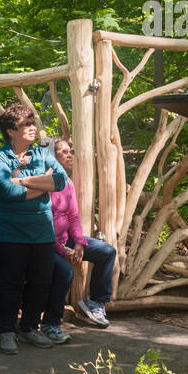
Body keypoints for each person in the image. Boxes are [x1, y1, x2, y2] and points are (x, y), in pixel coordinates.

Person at [0, 102, 68, 355]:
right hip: (9, 231)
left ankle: (30, 327)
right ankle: (7, 331)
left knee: (41, 281)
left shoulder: (43, 154)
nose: (33, 128)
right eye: (26, 124)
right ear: (11, 131)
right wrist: (42, 185)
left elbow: (61, 181)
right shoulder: (0, 158)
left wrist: (21, 180)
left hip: (42, 230)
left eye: (33, 123)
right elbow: (6, 192)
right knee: (10, 282)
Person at [48, 137, 116, 328]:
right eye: (64, 152)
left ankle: (95, 302)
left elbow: (73, 216)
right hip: (47, 243)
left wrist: (78, 243)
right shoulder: (44, 182)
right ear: (51, 155)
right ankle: (52, 320)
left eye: (71, 151)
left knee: (107, 252)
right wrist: (63, 250)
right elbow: (43, 224)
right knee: (64, 272)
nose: (69, 155)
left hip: (65, 240)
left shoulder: (67, 182)